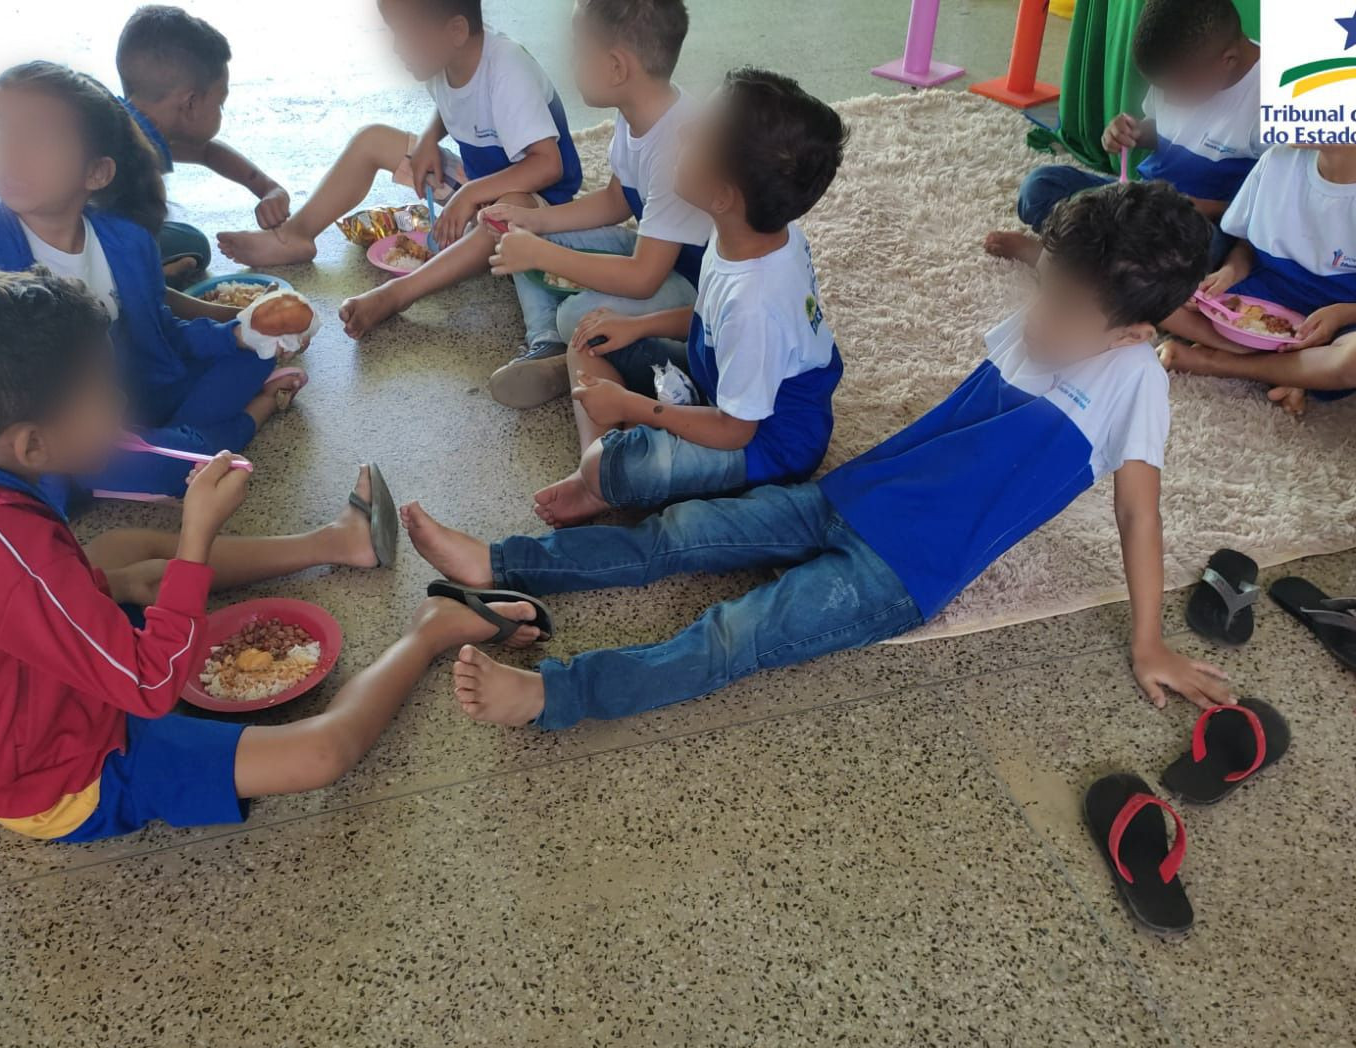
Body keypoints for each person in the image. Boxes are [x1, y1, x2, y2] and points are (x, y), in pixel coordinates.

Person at [398, 182, 1237, 729]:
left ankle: (558, 694)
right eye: (1046, 291)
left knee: (734, 633)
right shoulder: (1051, 325)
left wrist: (1150, 639)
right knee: (681, 532)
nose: (1039, 318)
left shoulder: (1136, 382)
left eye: (1065, 308)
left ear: (1132, 332)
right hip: (850, 495)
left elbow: (1139, 512)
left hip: (899, 574)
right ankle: (501, 560)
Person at [0, 269, 548, 842]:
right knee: (320, 752)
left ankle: (341, 541)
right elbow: (151, 687)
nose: (122, 405)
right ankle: (430, 631)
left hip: (10, 693)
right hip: (61, 775)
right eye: (104, 395)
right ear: (32, 445)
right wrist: (196, 536)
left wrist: (113, 583)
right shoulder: (11, 558)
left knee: (119, 550)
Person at [0, 62, 303, 502]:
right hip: (61, 433)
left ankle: (186, 436)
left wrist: (240, 334)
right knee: (171, 461)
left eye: (41, 136)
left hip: (139, 392)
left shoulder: (126, 242)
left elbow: (165, 336)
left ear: (97, 173)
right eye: (0, 130)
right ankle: (251, 416)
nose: (11, 151)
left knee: (257, 355)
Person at [523, 68, 849, 528]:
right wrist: (639, 325)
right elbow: (708, 318)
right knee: (592, 336)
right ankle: (595, 472)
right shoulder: (751, 233)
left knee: (610, 464)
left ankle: (597, 474)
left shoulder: (756, 300)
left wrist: (633, 407)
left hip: (766, 446)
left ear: (720, 196)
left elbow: (736, 430)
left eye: (700, 134)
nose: (684, 129)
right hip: (718, 382)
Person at [217, 0, 583, 339]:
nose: (396, 48)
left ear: (455, 31)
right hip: (480, 185)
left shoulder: (507, 69)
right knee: (372, 139)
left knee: (501, 212)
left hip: (539, 203)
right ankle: (296, 234)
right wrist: (428, 138)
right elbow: (458, 101)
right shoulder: (448, 60)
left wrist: (471, 194)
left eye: (406, 34)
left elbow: (549, 165)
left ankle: (399, 294)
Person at [478, 0, 709, 397]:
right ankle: (550, 344)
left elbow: (643, 278)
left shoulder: (676, 143)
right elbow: (617, 199)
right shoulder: (638, 109)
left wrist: (542, 256)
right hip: (652, 253)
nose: (570, 60)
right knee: (519, 235)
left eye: (579, 50)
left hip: (692, 290)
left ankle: (589, 354)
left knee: (576, 315)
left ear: (617, 67)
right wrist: (534, 222)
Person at [1160, 143, 1356, 416]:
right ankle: (1290, 371)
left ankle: (1220, 362)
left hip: (1340, 321)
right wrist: (1228, 273)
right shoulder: (1277, 160)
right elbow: (1248, 244)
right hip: (1257, 298)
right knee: (1144, 285)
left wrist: (1345, 314)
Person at [987, 0, 1262, 267]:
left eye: (1178, 89)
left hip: (1201, 222)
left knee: (1185, 256)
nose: (1170, 99)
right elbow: (1168, 131)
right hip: (1143, 198)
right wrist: (1131, 133)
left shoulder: (1276, 99)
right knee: (1041, 187)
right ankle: (1094, 263)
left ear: (1228, 60)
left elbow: (1271, 204)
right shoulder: (1183, 63)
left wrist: (1203, 207)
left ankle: (1054, 261)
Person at [116, 5, 290, 291]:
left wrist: (268, 187)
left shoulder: (129, 121)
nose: (222, 111)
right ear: (191, 103)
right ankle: (156, 276)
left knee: (187, 239)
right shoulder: (132, 157)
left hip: (87, 241)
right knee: (193, 245)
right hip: (96, 255)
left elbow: (207, 152)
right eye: (220, 102)